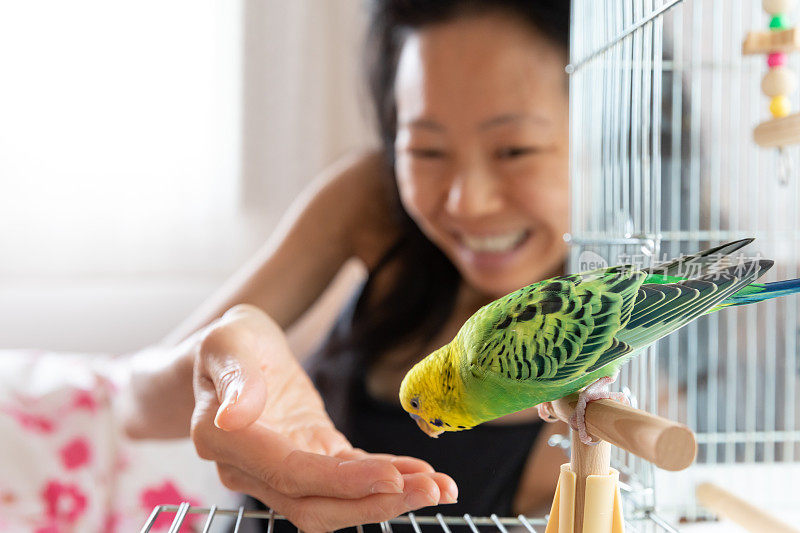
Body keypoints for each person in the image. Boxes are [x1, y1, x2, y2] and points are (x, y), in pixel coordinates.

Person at [121, 1, 571, 531]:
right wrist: (219, 354)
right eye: (426, 151)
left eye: (515, 150)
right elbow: (131, 405)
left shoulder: (642, 366)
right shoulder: (373, 200)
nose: (466, 202)